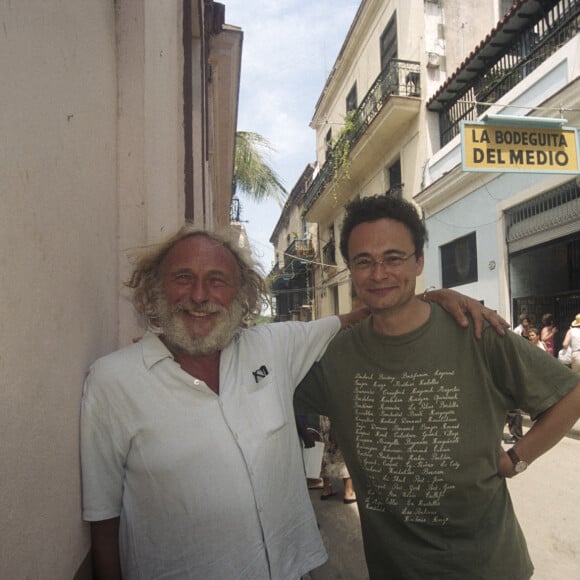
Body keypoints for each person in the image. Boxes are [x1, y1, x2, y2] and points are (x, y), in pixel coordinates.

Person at [81, 224, 507, 580]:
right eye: (182, 278)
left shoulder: (273, 345)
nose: (199, 295)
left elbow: (367, 313)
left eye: (216, 280)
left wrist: (433, 296)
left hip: (292, 569)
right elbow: (103, 520)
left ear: (241, 294)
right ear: (156, 289)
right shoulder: (113, 380)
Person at [294, 195, 580, 580]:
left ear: (419, 262)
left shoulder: (476, 331)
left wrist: (516, 458)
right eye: (364, 261)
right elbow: (252, 365)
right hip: (393, 569)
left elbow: (570, 395)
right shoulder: (333, 356)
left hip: (490, 568)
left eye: (394, 258)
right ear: (350, 270)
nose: (379, 273)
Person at [319, 416, 357, 503]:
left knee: (325, 454)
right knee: (345, 454)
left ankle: (326, 489)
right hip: (337, 421)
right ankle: (349, 492)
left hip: (323, 421)